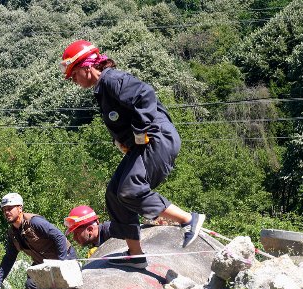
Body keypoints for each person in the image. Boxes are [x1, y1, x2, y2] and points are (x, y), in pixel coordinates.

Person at [60, 40, 205, 268]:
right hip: (143, 145)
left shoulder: (111, 79)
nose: (74, 81)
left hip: (158, 139)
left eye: (74, 74)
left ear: (87, 67)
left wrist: (139, 133)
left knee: (130, 189)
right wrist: (124, 140)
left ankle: (189, 220)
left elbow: (145, 95)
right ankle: (136, 255)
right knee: (114, 193)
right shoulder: (103, 89)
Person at [0, 192, 77, 289]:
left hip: (65, 257)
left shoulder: (35, 222)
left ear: (20, 208)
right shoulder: (12, 233)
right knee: (31, 284)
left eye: (9, 208)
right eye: (4, 210)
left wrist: (61, 264)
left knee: (63, 288)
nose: (6, 212)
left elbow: (59, 236)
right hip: (43, 262)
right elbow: (9, 258)